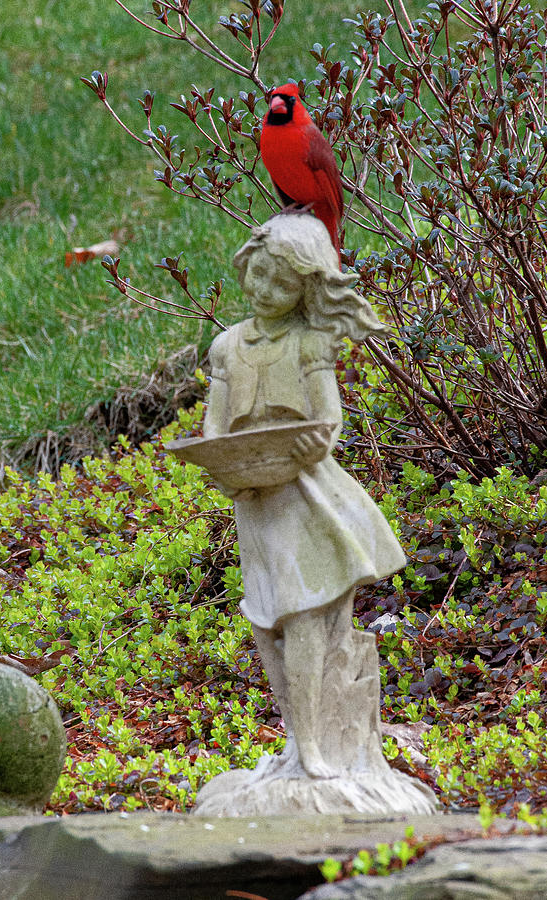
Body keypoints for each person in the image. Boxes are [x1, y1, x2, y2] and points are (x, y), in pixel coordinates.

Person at [203, 214, 406, 779]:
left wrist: (298, 450)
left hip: (305, 497)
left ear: (306, 292)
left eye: (284, 285)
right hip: (254, 501)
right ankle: (297, 739)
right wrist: (224, 468)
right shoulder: (227, 347)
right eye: (261, 275)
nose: (266, 292)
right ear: (248, 263)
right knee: (264, 620)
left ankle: (317, 745)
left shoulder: (309, 343)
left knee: (304, 615)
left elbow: (329, 420)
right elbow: (214, 429)